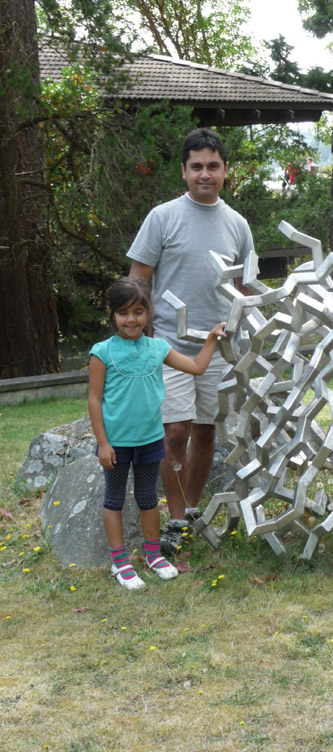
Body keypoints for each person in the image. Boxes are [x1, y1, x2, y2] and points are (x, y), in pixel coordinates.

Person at [127, 128, 255, 556]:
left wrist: (252, 334)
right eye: (196, 166)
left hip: (220, 347)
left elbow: (246, 289)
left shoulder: (237, 225)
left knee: (204, 432)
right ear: (183, 171)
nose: (205, 174)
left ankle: (193, 513)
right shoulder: (162, 217)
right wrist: (139, 338)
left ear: (225, 171)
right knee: (174, 431)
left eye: (213, 166)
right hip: (170, 345)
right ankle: (176, 518)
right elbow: (136, 281)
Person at [88, 276, 227, 590]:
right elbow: (94, 400)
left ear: (148, 313)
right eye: (124, 313)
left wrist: (211, 339)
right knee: (114, 499)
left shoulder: (158, 348)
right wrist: (103, 444)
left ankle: (154, 555)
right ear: (112, 314)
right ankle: (120, 562)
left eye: (138, 311)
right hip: (116, 444)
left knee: (149, 499)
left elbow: (196, 367)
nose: (131, 319)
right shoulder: (102, 353)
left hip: (150, 441)